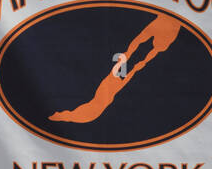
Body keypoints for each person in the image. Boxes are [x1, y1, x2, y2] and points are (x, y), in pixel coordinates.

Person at [49, 11, 181, 124]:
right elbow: (142, 40)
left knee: (109, 89)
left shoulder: (165, 35)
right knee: (109, 87)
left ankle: (68, 116)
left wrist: (134, 63)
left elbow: (148, 47)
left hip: (127, 73)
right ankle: (68, 116)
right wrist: (128, 57)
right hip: (125, 70)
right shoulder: (159, 30)